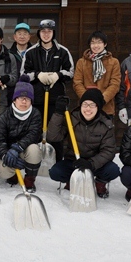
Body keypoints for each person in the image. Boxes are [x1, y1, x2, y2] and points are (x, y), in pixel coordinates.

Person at [47, 89, 120, 198]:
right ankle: (71, 181)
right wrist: (58, 113)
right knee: (55, 172)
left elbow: (109, 150)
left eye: (92, 105)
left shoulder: (105, 125)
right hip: (74, 161)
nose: (88, 108)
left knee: (112, 170)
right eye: (85, 104)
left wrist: (91, 163)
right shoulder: (71, 119)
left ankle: (99, 182)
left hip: (95, 164)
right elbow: (52, 136)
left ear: (98, 107)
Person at [21, 19, 74, 161]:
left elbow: (70, 72)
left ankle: (57, 162)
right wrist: (38, 74)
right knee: (35, 131)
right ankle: (33, 161)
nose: (46, 34)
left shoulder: (63, 51)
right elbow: (23, 75)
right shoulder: (31, 52)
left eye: (49, 31)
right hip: (37, 100)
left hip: (56, 100)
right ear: (39, 33)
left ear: (53, 33)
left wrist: (58, 74)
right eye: (43, 31)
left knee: (55, 133)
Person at [0, 75, 42, 193]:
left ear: (31, 101)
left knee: (35, 150)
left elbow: (34, 134)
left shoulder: (35, 114)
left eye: (27, 98)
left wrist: (18, 147)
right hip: (9, 152)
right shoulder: (4, 116)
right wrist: (6, 154)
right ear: (15, 99)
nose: (24, 101)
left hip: (26, 150)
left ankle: (30, 179)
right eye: (21, 98)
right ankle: (12, 175)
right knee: (2, 171)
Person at [73, 31, 121, 116]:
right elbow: (77, 83)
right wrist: (87, 100)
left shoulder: (113, 62)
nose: (96, 46)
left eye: (99, 42)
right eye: (93, 43)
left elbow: (115, 84)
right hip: (86, 108)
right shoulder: (81, 62)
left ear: (105, 44)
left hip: (106, 108)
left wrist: (101, 99)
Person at [8, 22, 32, 104]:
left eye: (25, 34)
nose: (22, 36)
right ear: (14, 37)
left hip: (30, 94)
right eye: (19, 34)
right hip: (12, 93)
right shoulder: (8, 54)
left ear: (29, 37)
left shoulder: (35, 53)